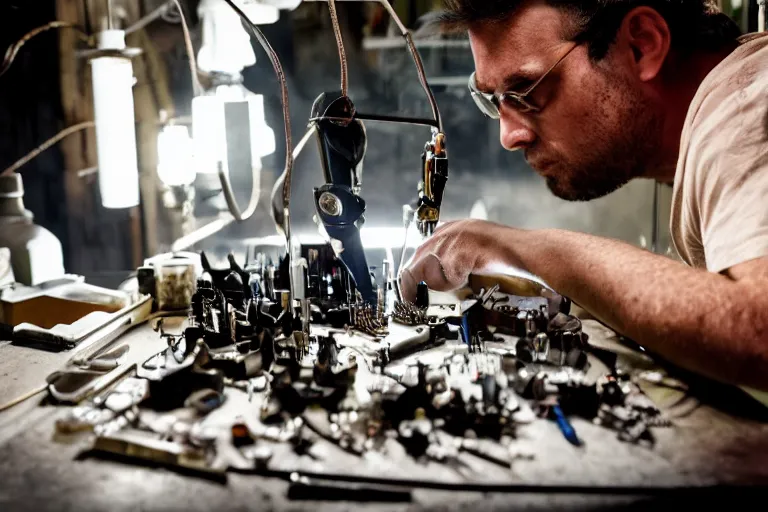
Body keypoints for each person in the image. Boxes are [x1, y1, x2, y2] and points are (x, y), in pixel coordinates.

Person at [400, 0, 768, 391]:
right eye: (494, 101)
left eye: (525, 90)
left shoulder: (748, 107)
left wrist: (517, 247)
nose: (509, 137)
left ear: (641, 45)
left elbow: (758, 330)